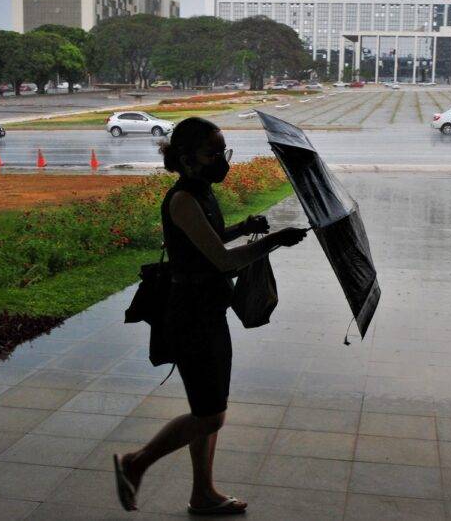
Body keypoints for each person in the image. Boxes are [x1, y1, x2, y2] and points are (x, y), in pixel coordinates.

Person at [113, 117, 306, 514]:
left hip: (207, 311)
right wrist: (272, 241)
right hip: (192, 317)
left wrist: (243, 227)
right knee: (211, 414)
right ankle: (137, 462)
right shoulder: (183, 199)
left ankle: (203, 493)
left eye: (224, 152)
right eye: (213, 154)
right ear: (186, 158)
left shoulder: (200, 192)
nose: (223, 162)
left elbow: (207, 241)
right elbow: (220, 261)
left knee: (208, 406)